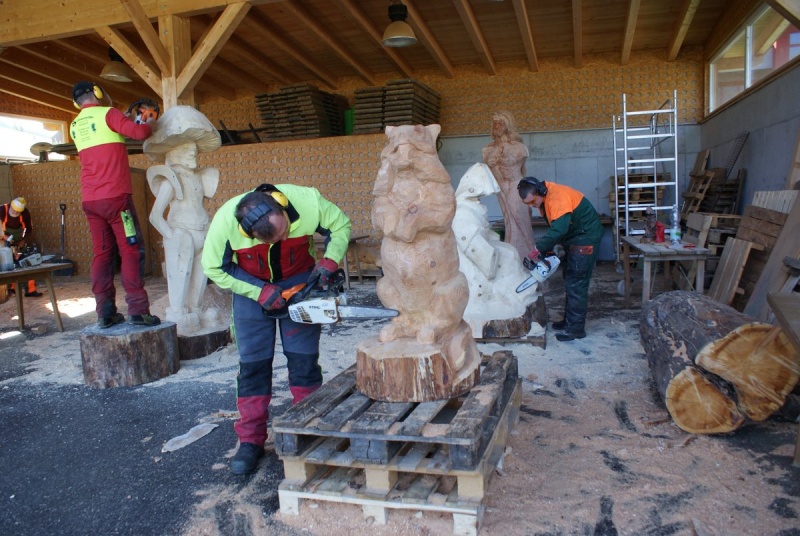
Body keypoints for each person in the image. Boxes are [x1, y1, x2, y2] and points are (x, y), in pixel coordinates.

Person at [202, 183, 351, 475]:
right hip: (250, 287)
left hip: (300, 281)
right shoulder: (225, 223)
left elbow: (340, 225)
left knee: (304, 362)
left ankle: (307, 427)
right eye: (276, 238)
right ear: (250, 233)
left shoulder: (308, 201)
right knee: (253, 366)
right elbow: (214, 267)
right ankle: (251, 439)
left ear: (281, 205)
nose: (284, 238)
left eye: (285, 232)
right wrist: (258, 290)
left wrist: (330, 260)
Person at [69, 81, 160, 328]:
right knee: (131, 250)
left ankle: (105, 313)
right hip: (117, 201)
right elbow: (139, 133)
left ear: (76, 103)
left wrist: (124, 119)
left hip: (91, 202)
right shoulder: (109, 113)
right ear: (97, 92)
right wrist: (150, 123)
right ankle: (138, 311)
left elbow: (105, 131)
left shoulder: (75, 125)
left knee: (102, 254)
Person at [517, 177, 603, 342]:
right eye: (527, 203)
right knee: (570, 279)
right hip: (575, 238)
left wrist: (539, 248)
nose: (532, 205)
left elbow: (559, 230)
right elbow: (558, 226)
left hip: (585, 238)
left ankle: (576, 329)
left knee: (576, 282)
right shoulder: (545, 200)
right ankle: (569, 321)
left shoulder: (557, 197)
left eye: (533, 201)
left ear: (540, 191)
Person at [482, 111, 535, 260]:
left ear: (508, 125)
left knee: (520, 221)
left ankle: (528, 256)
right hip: (501, 188)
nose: (497, 126)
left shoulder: (518, 147)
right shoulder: (487, 150)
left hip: (516, 187)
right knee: (509, 222)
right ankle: (512, 254)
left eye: (501, 123)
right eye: (495, 123)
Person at [0, 197, 42, 297]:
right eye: (13, 210)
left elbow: (29, 229)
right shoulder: (2, 210)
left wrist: (23, 241)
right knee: (9, 265)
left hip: (18, 241)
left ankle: (31, 290)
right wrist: (5, 238)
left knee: (27, 262)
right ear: (10, 205)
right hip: (3, 241)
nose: (15, 212)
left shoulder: (25, 213)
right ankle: (11, 289)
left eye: (18, 211)